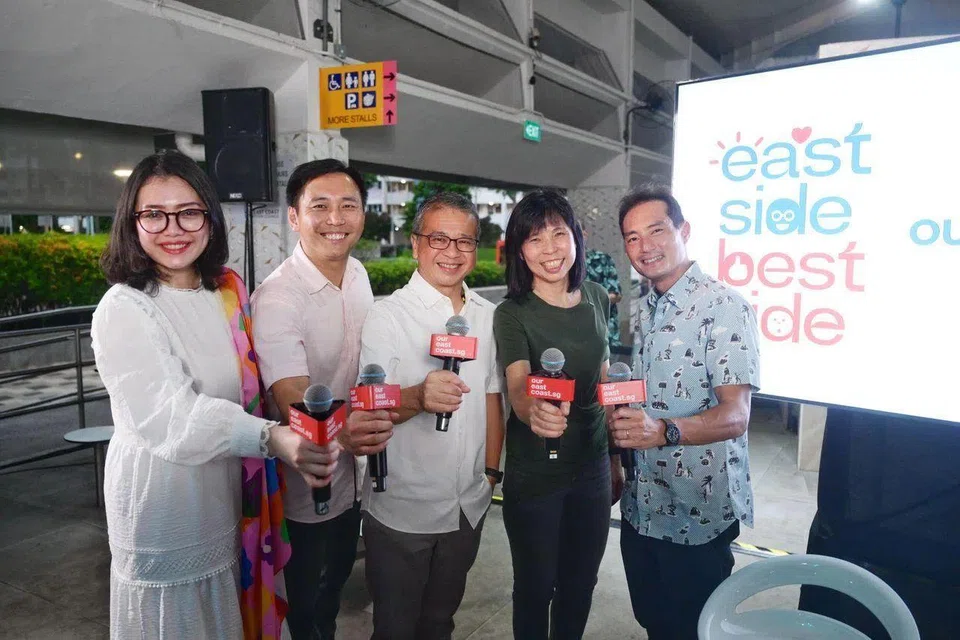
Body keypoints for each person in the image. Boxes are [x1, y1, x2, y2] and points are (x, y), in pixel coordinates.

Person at [93, 150, 337, 639]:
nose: (173, 228)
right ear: (131, 223)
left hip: (226, 496)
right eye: (154, 215)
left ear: (209, 217)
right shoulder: (125, 307)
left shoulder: (224, 291)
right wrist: (274, 439)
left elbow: (251, 387)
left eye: (189, 212)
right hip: (166, 505)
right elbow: (171, 417)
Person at [349, 192, 504, 640]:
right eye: (439, 239)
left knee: (440, 623)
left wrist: (491, 475)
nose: (452, 252)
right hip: (402, 509)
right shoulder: (388, 316)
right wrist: (418, 395)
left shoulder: (488, 317)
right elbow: (370, 403)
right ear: (416, 244)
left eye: (464, 242)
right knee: (395, 627)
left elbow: (493, 398)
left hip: (467, 506)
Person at [610, 184, 761, 640]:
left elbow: (736, 415)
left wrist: (663, 432)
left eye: (656, 230)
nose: (644, 246)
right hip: (643, 506)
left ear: (684, 231)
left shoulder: (724, 307)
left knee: (694, 629)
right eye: (632, 237)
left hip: (697, 510)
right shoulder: (646, 308)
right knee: (655, 621)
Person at [251, 158, 390, 640]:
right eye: (320, 206)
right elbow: (291, 396)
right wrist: (343, 430)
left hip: (357, 474)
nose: (336, 219)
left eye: (348, 206)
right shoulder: (277, 297)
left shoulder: (358, 277)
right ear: (294, 216)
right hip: (308, 483)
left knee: (333, 595)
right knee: (306, 604)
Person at [492, 189, 618, 640]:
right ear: (519, 251)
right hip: (536, 476)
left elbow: (602, 379)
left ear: (576, 238)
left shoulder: (598, 298)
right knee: (534, 586)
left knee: (581, 583)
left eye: (558, 234)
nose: (550, 250)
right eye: (534, 239)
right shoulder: (512, 313)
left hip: (593, 467)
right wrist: (534, 413)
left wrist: (617, 454)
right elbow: (518, 384)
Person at [582, 228, 623, 348]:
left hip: (605, 332)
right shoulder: (561, 264)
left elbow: (616, 295)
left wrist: (584, 302)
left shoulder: (602, 259)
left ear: (585, 234)